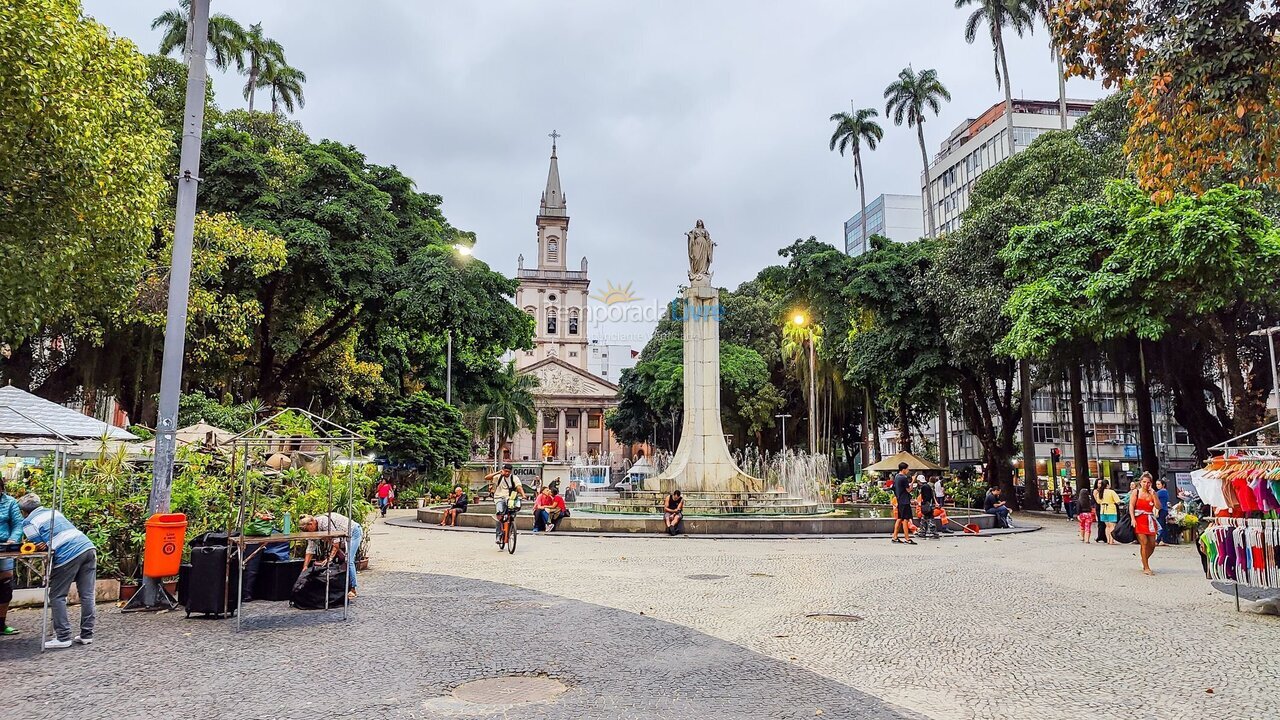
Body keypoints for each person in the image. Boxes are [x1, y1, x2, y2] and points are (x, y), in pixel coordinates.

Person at [18, 494, 96, 649]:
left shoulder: (28, 522)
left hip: (67, 554)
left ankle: (63, 636)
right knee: (87, 594)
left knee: (57, 595)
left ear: (23, 512)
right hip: (87, 547)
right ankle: (87, 634)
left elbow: (40, 545)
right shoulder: (54, 512)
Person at [299, 512, 362, 599]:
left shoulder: (325, 522)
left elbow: (336, 543)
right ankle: (343, 587)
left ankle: (353, 589)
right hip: (343, 536)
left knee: (349, 560)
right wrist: (305, 567)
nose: (308, 532)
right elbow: (310, 548)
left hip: (353, 531)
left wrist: (329, 558)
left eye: (307, 530)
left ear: (311, 523)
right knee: (344, 559)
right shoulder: (313, 529)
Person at [0, 479, 23, 637]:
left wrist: (13, 540)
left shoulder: (10, 502)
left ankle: (1, 623)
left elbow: (18, 524)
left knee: (5, 585)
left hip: (4, 547)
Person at [485, 464, 526, 546]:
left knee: (513, 511)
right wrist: (498, 472)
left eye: (509, 472)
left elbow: (518, 487)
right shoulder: (498, 477)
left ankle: (511, 528)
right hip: (499, 497)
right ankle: (499, 535)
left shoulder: (514, 478)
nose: (507, 473)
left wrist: (523, 494)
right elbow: (486, 478)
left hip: (509, 498)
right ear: (503, 470)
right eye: (506, 471)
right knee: (499, 514)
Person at [1131, 472, 1162, 575]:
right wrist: (1133, 519)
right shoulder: (1136, 492)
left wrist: (1154, 495)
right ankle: (1146, 567)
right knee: (1144, 543)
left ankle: (1144, 560)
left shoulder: (1153, 493)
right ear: (1140, 482)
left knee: (1152, 544)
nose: (1146, 484)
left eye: (1148, 482)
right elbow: (1131, 506)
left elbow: (1158, 507)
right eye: (1144, 482)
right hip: (1139, 519)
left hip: (1149, 519)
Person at [892, 462, 915, 544]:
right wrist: (913, 481)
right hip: (905, 501)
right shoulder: (903, 478)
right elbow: (908, 489)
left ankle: (894, 536)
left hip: (899, 500)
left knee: (899, 518)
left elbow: (893, 488)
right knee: (905, 519)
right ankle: (907, 538)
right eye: (907, 469)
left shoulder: (896, 477)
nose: (908, 470)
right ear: (904, 469)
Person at [1095, 479, 1121, 545]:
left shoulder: (1100, 492)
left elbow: (1098, 502)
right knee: (1112, 526)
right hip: (1111, 509)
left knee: (1107, 526)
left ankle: (1108, 540)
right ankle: (1111, 540)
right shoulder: (1111, 492)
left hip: (1103, 510)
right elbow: (1118, 501)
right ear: (1107, 485)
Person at [916, 474, 939, 539]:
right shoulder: (928, 486)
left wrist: (922, 503)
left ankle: (933, 533)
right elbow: (932, 496)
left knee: (929, 519)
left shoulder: (923, 487)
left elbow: (926, 497)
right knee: (924, 519)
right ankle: (923, 532)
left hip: (926, 505)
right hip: (929, 505)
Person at [1155, 478, 1171, 546]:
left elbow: (1153, 496)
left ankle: (1157, 540)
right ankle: (1164, 540)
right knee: (1163, 525)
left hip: (1161, 510)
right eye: (1156, 484)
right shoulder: (1165, 491)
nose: (1157, 486)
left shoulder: (1161, 492)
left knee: (1160, 525)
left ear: (1163, 485)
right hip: (1164, 509)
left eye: (1159, 484)